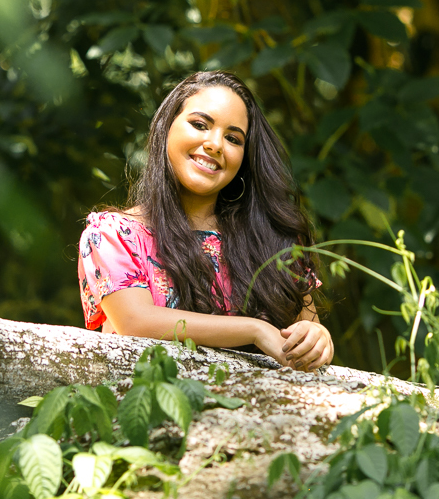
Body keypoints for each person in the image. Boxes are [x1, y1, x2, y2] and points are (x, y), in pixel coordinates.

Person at [77, 71, 334, 371]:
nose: (215, 144)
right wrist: (255, 329)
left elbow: (306, 338)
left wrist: (317, 337)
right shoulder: (113, 235)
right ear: (166, 127)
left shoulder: (273, 240)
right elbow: (136, 321)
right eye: (200, 125)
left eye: (233, 138)